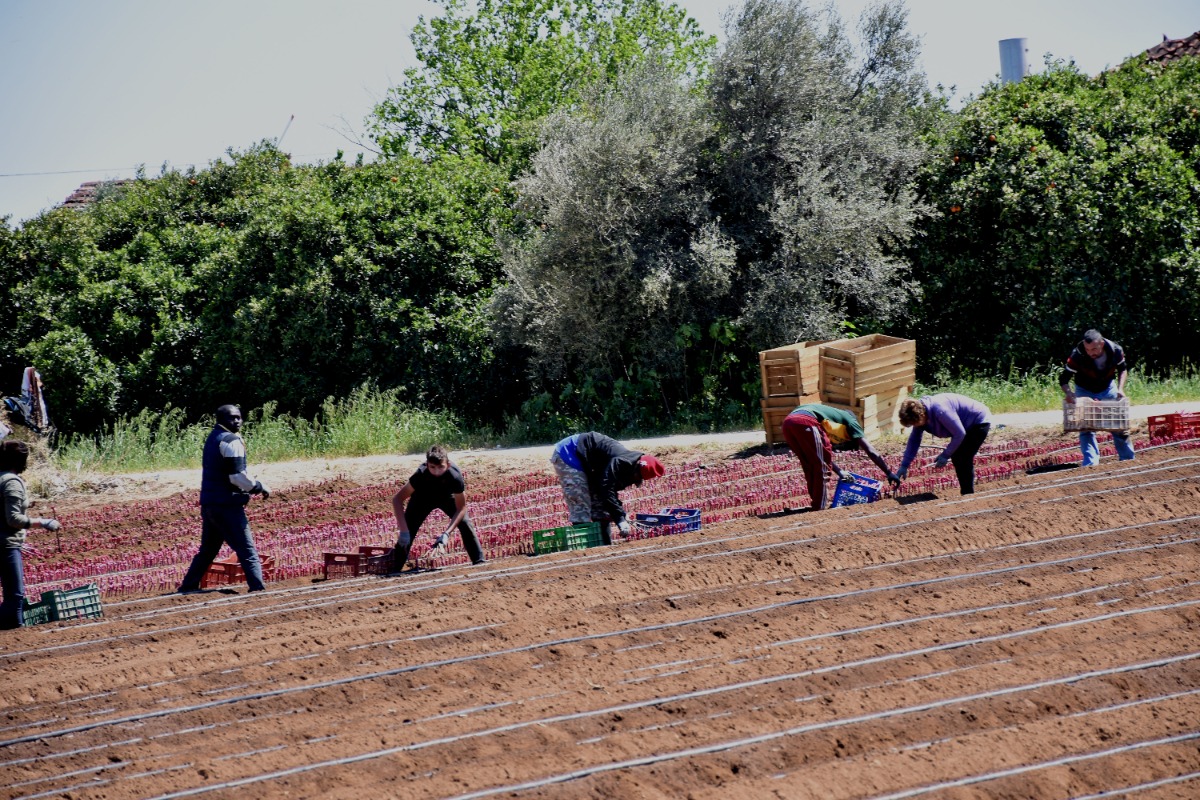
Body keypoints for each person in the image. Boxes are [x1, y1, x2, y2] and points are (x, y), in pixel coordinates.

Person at [178, 405, 270, 593]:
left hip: (210, 503)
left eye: (238, 417)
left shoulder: (213, 438)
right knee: (247, 549)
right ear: (221, 420)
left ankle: (188, 586)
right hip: (227, 505)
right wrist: (258, 487)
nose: (237, 421)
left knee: (208, 550)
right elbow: (236, 477)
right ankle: (257, 589)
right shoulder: (231, 441)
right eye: (232, 418)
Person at [781, 403, 899, 511]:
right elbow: (870, 450)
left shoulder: (827, 418)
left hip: (787, 424)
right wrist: (888, 472)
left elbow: (822, 457)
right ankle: (819, 507)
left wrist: (839, 471)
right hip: (805, 421)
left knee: (810, 465)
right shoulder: (851, 422)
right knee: (821, 469)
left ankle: (816, 504)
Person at [550, 432, 665, 543]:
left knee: (601, 509)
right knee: (580, 501)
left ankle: (604, 546)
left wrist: (621, 514)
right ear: (636, 469)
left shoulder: (629, 464)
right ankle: (582, 549)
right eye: (637, 477)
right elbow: (606, 488)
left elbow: (609, 490)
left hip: (588, 463)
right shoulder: (620, 462)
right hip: (570, 453)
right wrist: (620, 519)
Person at [390, 445, 485, 572]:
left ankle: (479, 561)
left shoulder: (455, 476)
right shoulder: (420, 475)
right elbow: (397, 499)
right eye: (432, 467)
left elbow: (461, 508)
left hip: (446, 497)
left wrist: (446, 534)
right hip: (421, 498)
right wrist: (404, 531)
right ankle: (395, 568)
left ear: (448, 465)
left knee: (465, 523)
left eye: (441, 467)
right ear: (427, 464)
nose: (436, 472)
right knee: (409, 530)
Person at [1, 440, 61, 629]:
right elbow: (13, 519)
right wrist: (43, 522)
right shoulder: (12, 481)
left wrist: (26, 503)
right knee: (15, 596)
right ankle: (16, 631)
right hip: (6, 545)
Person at [1060, 329, 1136, 466]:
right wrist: (1069, 393)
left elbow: (1123, 369)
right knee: (1086, 428)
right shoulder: (1077, 355)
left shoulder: (1115, 350)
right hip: (1084, 389)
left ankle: (1128, 460)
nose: (1091, 353)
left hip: (1108, 387)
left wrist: (1120, 389)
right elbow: (1063, 379)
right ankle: (1090, 464)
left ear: (1101, 343)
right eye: (1088, 349)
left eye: (1094, 349)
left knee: (1118, 425)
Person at [895, 395, 991, 495]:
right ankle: (967, 492)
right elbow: (914, 440)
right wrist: (904, 465)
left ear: (922, 415)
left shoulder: (941, 411)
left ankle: (968, 494)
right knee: (958, 456)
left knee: (962, 456)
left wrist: (945, 455)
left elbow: (959, 433)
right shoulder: (921, 414)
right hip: (964, 425)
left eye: (915, 424)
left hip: (978, 421)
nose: (915, 426)